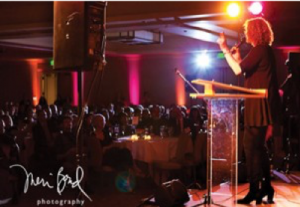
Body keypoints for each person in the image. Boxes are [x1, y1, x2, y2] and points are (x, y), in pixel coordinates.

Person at [217, 17, 281, 204]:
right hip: (261, 104)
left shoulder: (259, 49)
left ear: (254, 32)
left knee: (250, 148)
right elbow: (248, 72)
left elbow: (237, 71)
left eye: (247, 31)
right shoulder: (264, 51)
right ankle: (266, 187)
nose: (245, 34)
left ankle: (255, 190)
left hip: (258, 105)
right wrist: (238, 58)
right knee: (259, 149)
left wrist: (224, 49)